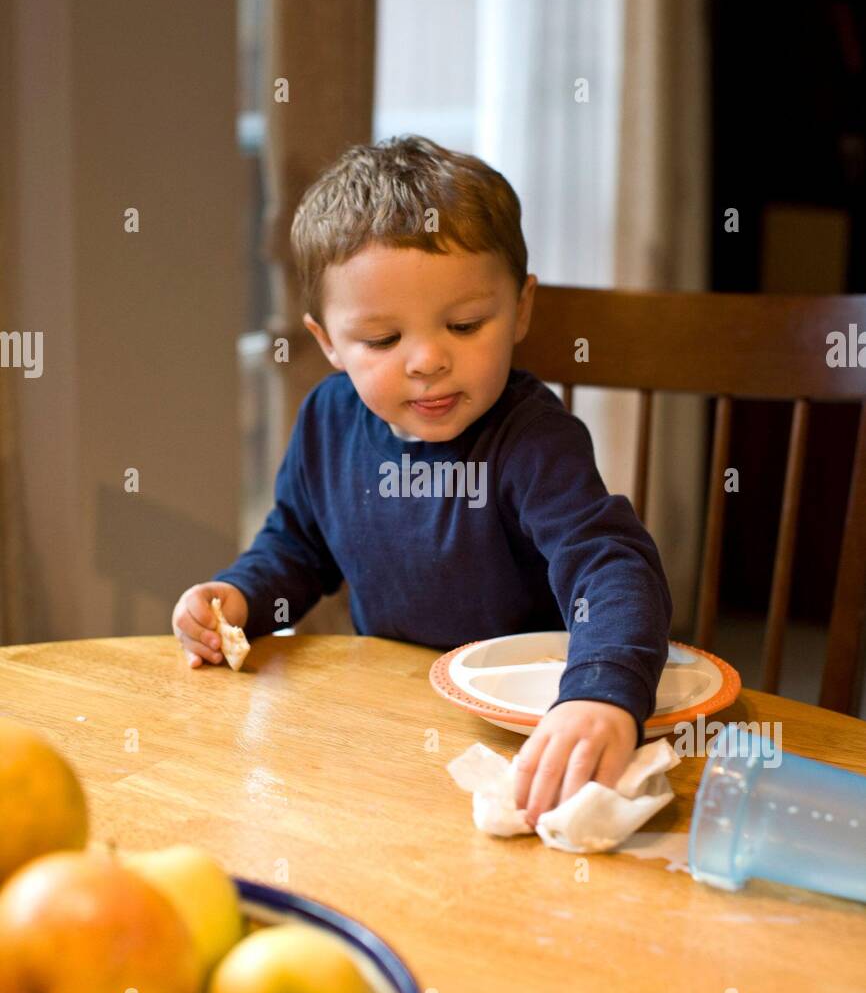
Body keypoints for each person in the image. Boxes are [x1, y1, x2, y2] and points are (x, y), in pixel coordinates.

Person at [171, 135, 672, 827]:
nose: (429, 360)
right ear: (328, 343)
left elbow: (611, 568)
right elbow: (296, 549)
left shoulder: (532, 439)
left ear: (522, 307)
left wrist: (600, 691)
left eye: (465, 324)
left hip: (527, 734)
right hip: (388, 724)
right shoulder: (327, 420)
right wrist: (240, 598)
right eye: (382, 341)